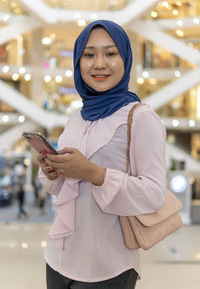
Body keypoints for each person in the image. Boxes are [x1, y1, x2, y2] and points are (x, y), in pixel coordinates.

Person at [37, 20, 166, 289]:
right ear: (77, 61)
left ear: (125, 58)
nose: (98, 64)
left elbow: (154, 195)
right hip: (58, 259)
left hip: (107, 267)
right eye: (89, 54)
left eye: (110, 53)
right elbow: (64, 189)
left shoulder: (140, 118)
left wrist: (94, 173)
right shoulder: (76, 117)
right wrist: (54, 170)